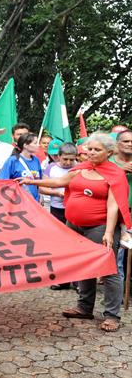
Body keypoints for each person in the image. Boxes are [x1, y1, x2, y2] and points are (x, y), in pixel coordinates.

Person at [21, 133, 131, 332]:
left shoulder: (115, 174)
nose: (91, 152)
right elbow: (58, 182)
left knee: (109, 270)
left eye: (97, 150)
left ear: (109, 153)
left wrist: (108, 232)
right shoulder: (80, 168)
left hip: (99, 228)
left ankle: (112, 315)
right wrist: (31, 182)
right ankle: (84, 307)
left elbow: (114, 205)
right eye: (89, 148)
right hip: (74, 225)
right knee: (84, 267)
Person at [39, 142, 78, 290]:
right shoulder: (51, 168)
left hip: (74, 211)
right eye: (65, 159)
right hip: (56, 209)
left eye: (71, 159)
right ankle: (62, 278)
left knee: (74, 245)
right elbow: (42, 188)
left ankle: (77, 279)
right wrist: (56, 192)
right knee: (59, 245)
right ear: (58, 156)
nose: (68, 162)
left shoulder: (79, 168)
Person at [110, 129, 132, 285]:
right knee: (117, 254)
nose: (130, 144)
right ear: (117, 144)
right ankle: (116, 294)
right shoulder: (108, 162)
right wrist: (120, 171)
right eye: (126, 141)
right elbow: (99, 182)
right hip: (115, 213)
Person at [0, 133, 42, 200]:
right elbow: (2, 181)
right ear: (25, 145)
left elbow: (39, 181)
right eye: (35, 143)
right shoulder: (13, 160)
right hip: (18, 202)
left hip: (34, 202)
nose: (38, 145)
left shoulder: (36, 160)